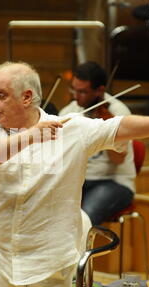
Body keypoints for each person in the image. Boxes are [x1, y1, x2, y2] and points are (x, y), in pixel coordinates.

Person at [0, 61, 149, 287]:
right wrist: (30, 136)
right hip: (6, 260)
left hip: (50, 263)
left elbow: (120, 126)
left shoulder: (71, 129)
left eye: (1, 95)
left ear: (26, 97)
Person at [59, 61, 135, 225]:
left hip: (113, 182)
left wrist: (107, 128)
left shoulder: (117, 113)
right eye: (74, 89)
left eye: (83, 92)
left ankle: (83, 251)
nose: (75, 96)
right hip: (78, 181)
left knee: (83, 220)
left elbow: (118, 159)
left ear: (100, 90)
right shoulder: (69, 112)